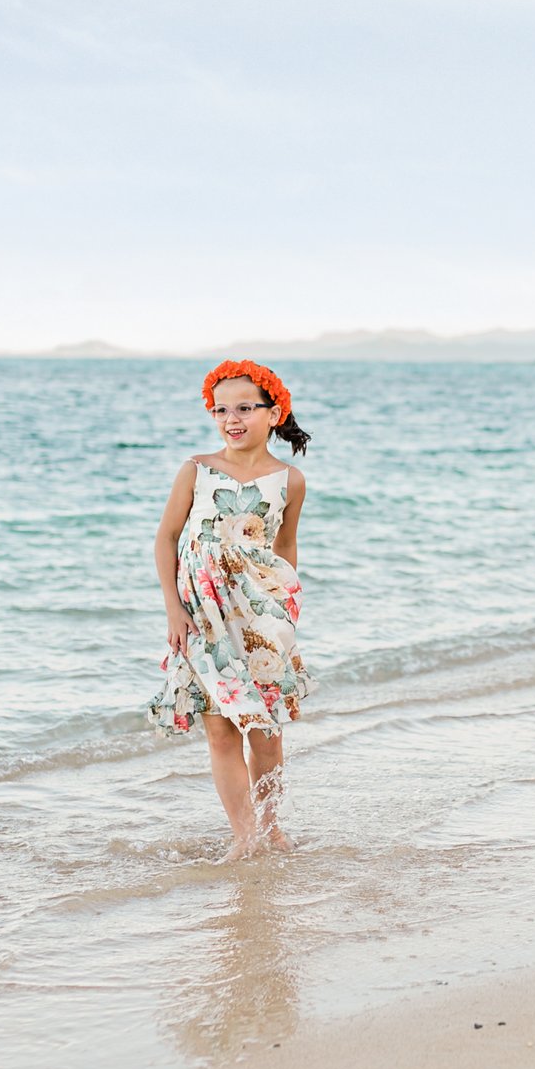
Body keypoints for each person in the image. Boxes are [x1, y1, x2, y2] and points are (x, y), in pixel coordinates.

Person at [147, 359, 312, 859]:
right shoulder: (196, 470)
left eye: (244, 408)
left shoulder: (290, 480)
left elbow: (285, 550)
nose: (231, 419)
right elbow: (167, 539)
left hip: (261, 615)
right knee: (219, 729)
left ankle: (271, 827)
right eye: (220, 410)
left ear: (273, 412)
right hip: (201, 614)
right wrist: (173, 610)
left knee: (264, 731)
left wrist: (285, 614)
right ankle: (244, 838)